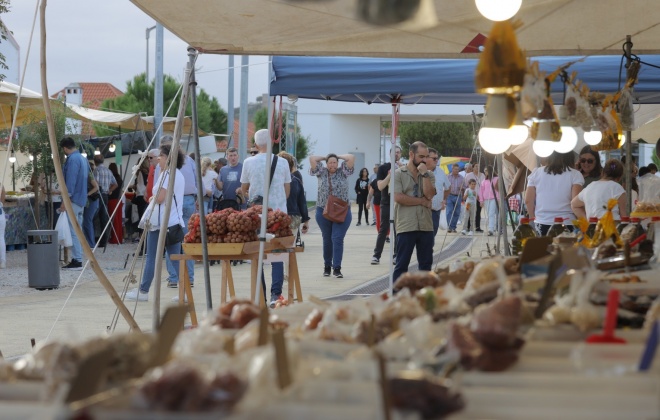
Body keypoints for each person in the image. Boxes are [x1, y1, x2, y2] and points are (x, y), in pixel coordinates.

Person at [126, 144, 186, 301]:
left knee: (152, 256)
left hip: (161, 222)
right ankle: (185, 291)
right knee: (174, 257)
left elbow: (160, 198)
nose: (158, 159)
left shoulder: (167, 175)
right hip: (174, 221)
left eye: (161, 156)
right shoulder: (178, 174)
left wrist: (153, 197)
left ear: (167, 158)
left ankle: (143, 291)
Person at [241, 129, 292, 306]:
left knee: (258, 254)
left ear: (255, 145)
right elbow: (287, 191)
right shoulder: (284, 162)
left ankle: (260, 295)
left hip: (257, 215)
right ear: (271, 143)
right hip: (278, 215)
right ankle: (275, 295)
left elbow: (244, 188)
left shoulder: (248, 162)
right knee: (277, 253)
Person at [392, 141, 436, 283]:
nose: (424, 160)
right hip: (406, 225)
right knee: (401, 266)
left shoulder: (429, 175)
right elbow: (398, 197)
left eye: (426, 156)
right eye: (421, 156)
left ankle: (424, 299)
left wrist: (424, 175)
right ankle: (397, 299)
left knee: (425, 266)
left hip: (426, 226)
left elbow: (429, 195)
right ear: (411, 154)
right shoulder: (398, 174)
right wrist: (422, 202)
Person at [309, 151, 355, 277]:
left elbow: (351, 158)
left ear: (338, 163)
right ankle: (327, 266)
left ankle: (337, 268)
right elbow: (312, 159)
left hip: (342, 211)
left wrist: (337, 156)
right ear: (326, 164)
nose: (332, 165)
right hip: (323, 211)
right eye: (330, 163)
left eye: (334, 162)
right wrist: (325, 156)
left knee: (337, 238)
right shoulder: (321, 172)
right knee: (327, 239)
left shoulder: (344, 172)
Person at [526, 151, 584, 236]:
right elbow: (575, 202)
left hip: (542, 222)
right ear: (570, 156)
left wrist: (532, 218)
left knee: (543, 248)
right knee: (566, 248)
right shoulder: (575, 174)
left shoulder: (536, 173)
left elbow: (528, 200)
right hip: (567, 222)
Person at [60, 137, 89, 270]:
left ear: (65, 148)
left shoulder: (72, 160)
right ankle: (78, 257)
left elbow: (70, 182)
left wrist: (65, 200)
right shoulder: (83, 158)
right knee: (78, 230)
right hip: (82, 198)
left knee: (73, 230)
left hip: (73, 199)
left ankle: (77, 259)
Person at [371, 146, 402, 265]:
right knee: (384, 229)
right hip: (386, 202)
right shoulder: (383, 168)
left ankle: (396, 255)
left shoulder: (404, 168)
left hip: (399, 202)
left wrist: (400, 169)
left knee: (398, 230)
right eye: (395, 152)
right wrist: (390, 174)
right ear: (390, 154)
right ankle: (376, 255)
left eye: (399, 152)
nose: (397, 154)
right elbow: (380, 186)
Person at [279, 151, 310, 235]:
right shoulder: (296, 181)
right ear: (292, 166)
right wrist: (305, 220)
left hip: (275, 216)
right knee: (290, 244)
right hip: (292, 217)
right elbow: (302, 202)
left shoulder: (272, 181)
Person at [428, 148, 450, 239]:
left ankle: (429, 252)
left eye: (437, 158)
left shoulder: (440, 172)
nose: (436, 160)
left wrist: (443, 200)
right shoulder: (418, 171)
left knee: (431, 237)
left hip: (435, 212)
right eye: (434, 158)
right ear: (426, 158)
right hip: (422, 211)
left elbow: (448, 187)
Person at [82, 163, 101, 248]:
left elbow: (96, 187)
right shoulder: (89, 174)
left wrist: (87, 194)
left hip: (91, 201)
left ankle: (91, 243)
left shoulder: (89, 174)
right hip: (92, 201)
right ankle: (89, 242)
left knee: (87, 221)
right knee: (87, 221)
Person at [464, 162, 485, 232]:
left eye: (478, 166)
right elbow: (466, 184)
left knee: (478, 212)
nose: (477, 168)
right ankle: (468, 227)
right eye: (476, 166)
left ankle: (478, 227)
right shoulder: (469, 175)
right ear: (473, 167)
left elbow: (483, 186)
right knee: (469, 212)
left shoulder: (482, 175)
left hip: (479, 197)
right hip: (470, 198)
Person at [479, 165, 500, 236]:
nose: (485, 172)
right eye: (484, 171)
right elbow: (481, 191)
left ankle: (491, 229)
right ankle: (492, 227)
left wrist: (498, 198)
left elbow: (499, 189)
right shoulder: (484, 181)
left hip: (494, 198)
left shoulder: (497, 179)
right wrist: (481, 200)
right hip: (486, 199)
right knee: (489, 214)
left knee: (491, 213)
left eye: (486, 171)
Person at [108, 163, 124, 244]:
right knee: (119, 219)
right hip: (119, 200)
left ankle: (114, 238)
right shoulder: (120, 178)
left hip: (112, 200)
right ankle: (119, 238)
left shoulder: (112, 178)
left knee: (114, 220)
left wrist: (109, 191)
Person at [445, 164, 464, 233]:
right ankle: (449, 227)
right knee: (449, 211)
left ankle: (453, 227)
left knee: (457, 212)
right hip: (449, 196)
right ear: (452, 169)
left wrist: (462, 188)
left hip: (458, 196)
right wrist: (444, 198)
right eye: (455, 169)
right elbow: (445, 187)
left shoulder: (461, 177)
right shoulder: (448, 177)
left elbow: (464, 187)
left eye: (457, 169)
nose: (456, 170)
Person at [0, 182, 6, 268]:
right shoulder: (1, 185)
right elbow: (2, 200)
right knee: (1, 238)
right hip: (1, 214)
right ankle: (3, 261)